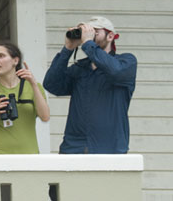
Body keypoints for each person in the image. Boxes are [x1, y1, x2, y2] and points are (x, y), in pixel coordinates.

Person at [43, 16, 137, 154]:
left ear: (110, 36)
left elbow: (115, 71)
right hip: (74, 148)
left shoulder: (126, 61)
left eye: (95, 31)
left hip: (110, 148)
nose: (89, 34)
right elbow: (52, 85)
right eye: (87, 31)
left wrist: (87, 43)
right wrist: (67, 49)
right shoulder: (80, 68)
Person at [0, 42, 50, 154]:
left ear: (15, 60)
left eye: (1, 56)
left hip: (28, 155)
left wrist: (33, 83)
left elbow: (45, 117)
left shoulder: (33, 87)